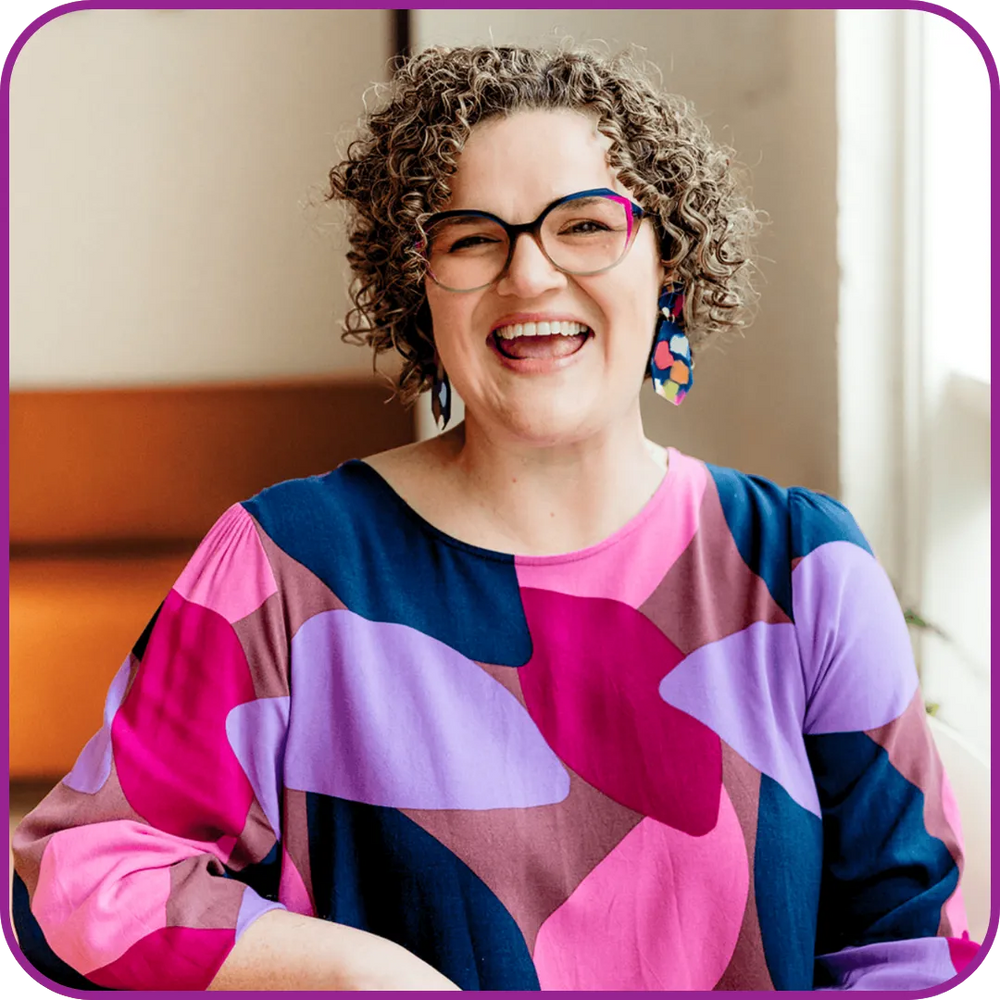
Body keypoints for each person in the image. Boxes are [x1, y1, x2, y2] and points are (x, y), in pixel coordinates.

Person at [12, 44, 980, 991]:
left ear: (668, 265)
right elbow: (86, 874)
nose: (529, 277)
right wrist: (356, 971)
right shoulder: (282, 567)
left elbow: (906, 951)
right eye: (473, 237)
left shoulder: (805, 569)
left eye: (586, 226)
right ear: (417, 289)